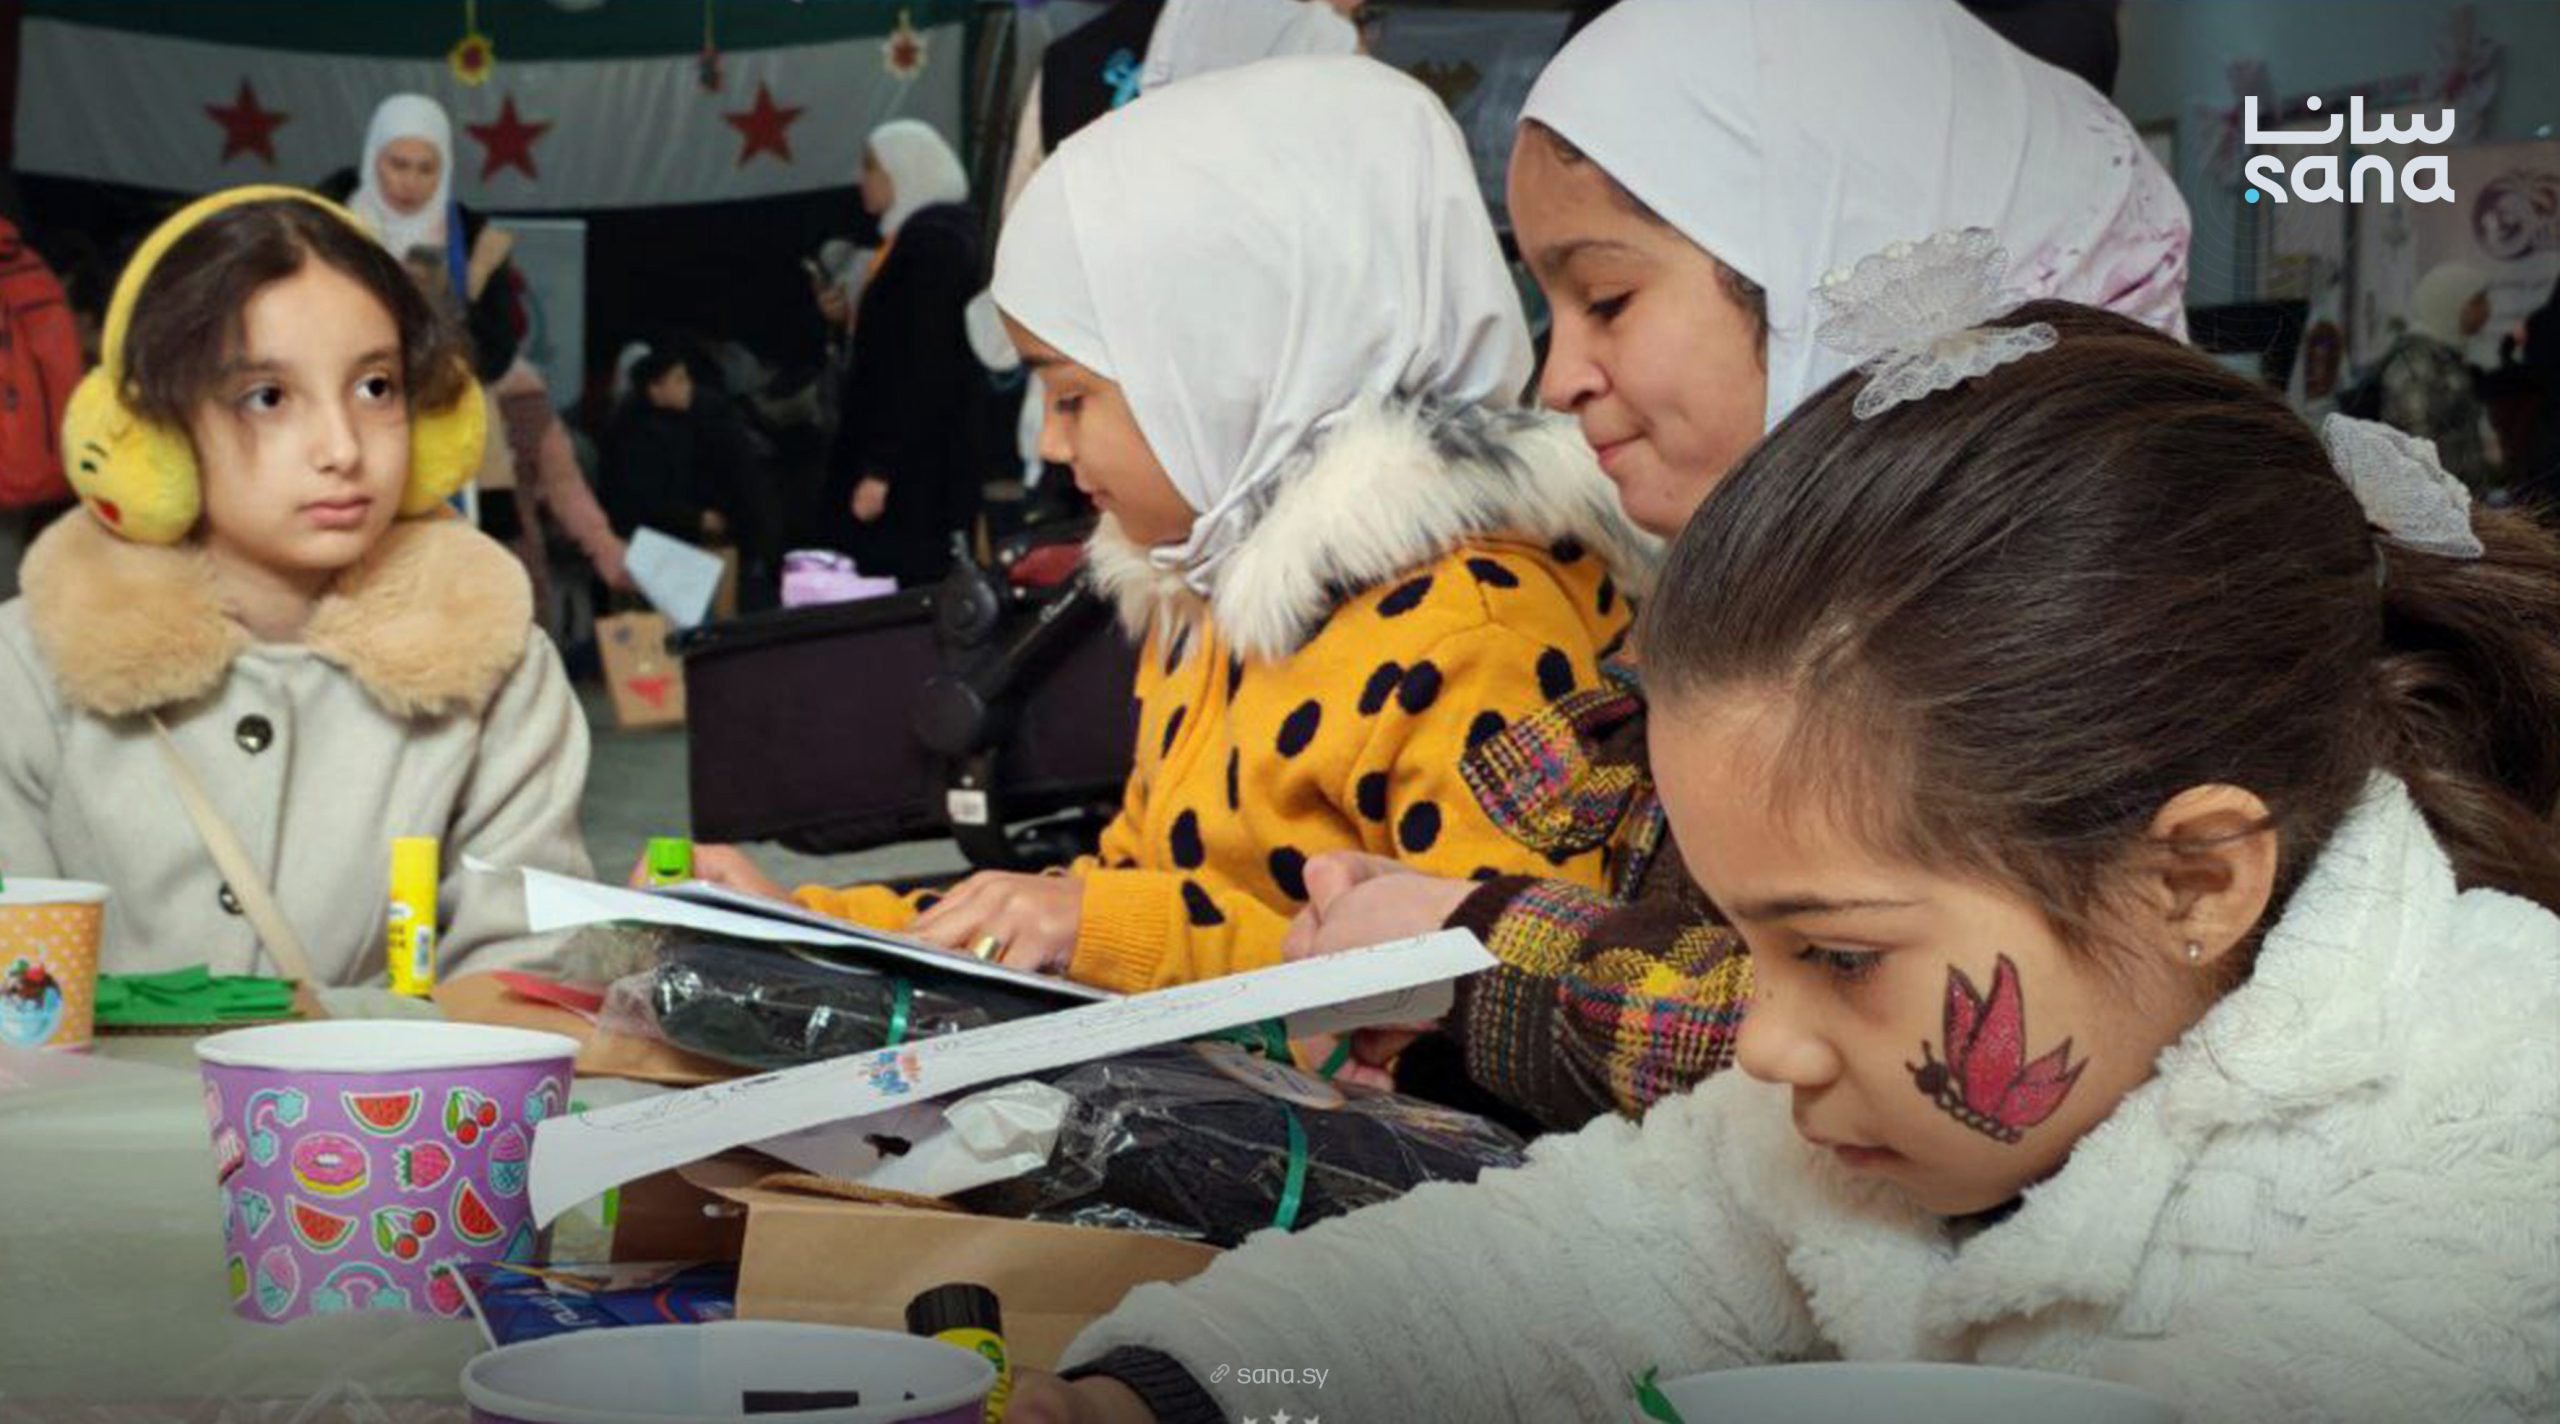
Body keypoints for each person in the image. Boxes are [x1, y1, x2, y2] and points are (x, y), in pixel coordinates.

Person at [1011, 296, 2560, 1424]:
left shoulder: (2496, 1137)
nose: (1760, 1044)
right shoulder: (1841, 1126)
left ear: (2194, 881)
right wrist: (1184, 1392)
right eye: (1748, 944)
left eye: (1838, 955)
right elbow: (1532, 1279)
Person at [1283, 0, 2192, 1129]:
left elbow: (1926, 1053)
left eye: (1606, 299)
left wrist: (1471, 948)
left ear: (1830, 259)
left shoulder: (2063, 624)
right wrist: (1434, 976)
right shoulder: (1780, 603)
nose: (1556, 378)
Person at [667, 59, 1652, 997]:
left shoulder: (1472, 628)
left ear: (1228, 366)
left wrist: (1102, 927)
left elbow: (1507, 1004)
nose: (1049, 443)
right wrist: (808, 923)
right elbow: (1131, 889)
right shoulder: (1206, 595)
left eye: (1071, 395)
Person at [0, 188, 593, 985]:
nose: (342, 448)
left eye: (376, 387)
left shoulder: (498, 665)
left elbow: (527, 972)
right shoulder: (26, 669)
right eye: (268, 397)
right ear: (149, 437)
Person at [345, 94, 630, 607]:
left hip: (450, 420)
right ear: (373, 158)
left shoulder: (476, 240)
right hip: (353, 420)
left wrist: (458, 303)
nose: (410, 182)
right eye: (398, 164)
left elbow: (497, 352)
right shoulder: (330, 227)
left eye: (426, 168)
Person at [818, 120, 985, 588]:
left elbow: (922, 365)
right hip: (913, 460)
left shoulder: (933, 246)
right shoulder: (918, 238)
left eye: (872, 167)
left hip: (914, 471)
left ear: (903, 170)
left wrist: (881, 469)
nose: (862, 180)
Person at [2377, 260, 2503, 494]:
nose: (2486, 310)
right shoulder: (2418, 363)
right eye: (2477, 301)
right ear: (2449, 303)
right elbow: (2419, 449)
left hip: (2460, 500)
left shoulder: (2448, 357)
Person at [598, 344, 732, 546]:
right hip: (639, 542)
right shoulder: (633, 433)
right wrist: (697, 518)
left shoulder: (680, 425)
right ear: (655, 389)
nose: (688, 386)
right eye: (679, 380)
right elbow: (643, 500)